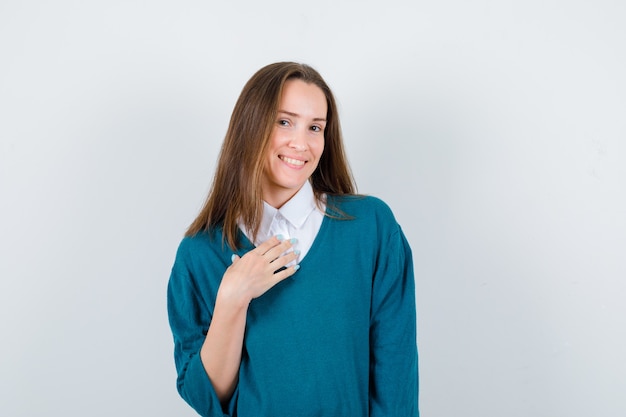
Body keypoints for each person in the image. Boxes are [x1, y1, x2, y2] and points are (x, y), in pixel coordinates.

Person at [167, 62, 419, 416]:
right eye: (284, 121)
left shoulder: (371, 228)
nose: (301, 143)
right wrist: (232, 299)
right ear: (250, 127)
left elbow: (396, 372)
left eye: (315, 127)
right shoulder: (200, 254)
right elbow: (208, 398)